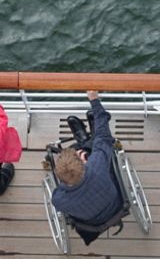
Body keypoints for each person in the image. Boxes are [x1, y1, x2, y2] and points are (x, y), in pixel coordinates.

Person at [52, 90, 123, 244]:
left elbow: (61, 191)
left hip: (91, 224)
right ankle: (87, 138)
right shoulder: (96, 164)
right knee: (97, 143)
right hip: (115, 204)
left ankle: (82, 138)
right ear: (84, 161)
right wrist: (94, 100)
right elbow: (105, 137)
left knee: (82, 145)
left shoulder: (58, 199)